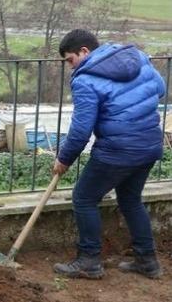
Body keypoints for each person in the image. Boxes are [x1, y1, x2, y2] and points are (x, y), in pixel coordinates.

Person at [52, 29, 166, 280]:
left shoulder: (85, 80)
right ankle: (147, 261)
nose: (71, 68)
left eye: (70, 60)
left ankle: (89, 261)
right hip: (148, 144)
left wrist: (64, 158)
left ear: (84, 51)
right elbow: (160, 88)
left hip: (118, 150)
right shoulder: (136, 56)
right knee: (131, 199)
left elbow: (81, 130)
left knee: (84, 198)